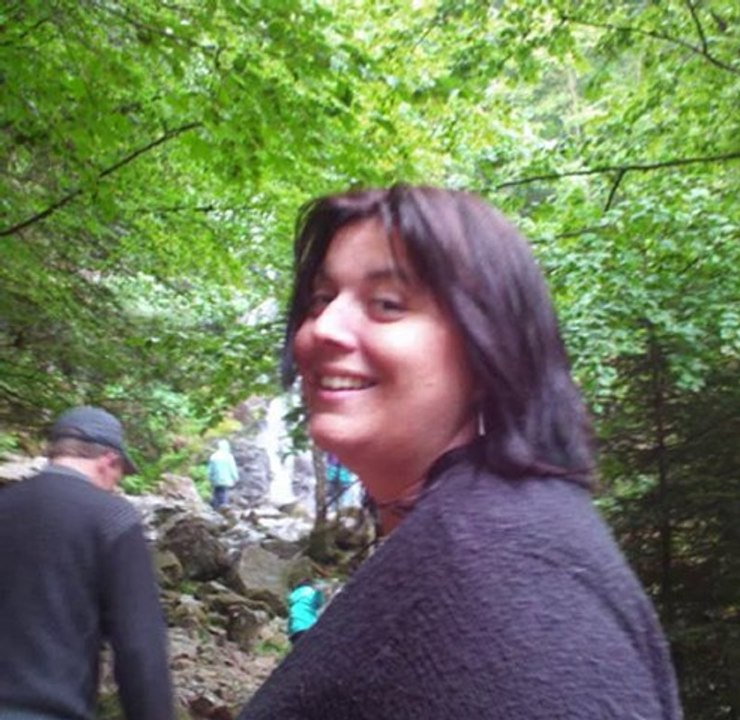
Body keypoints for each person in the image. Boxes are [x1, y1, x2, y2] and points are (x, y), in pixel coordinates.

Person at [239, 185, 682, 718]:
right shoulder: (496, 530)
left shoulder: (511, 582)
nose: (324, 328)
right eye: (321, 298)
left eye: (387, 304)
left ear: (489, 348)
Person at [0, 405, 174, 720]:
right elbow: (139, 646)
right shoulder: (111, 518)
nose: (116, 485)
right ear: (109, 460)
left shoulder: (5, 503)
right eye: (119, 474)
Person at [286, 579, 326, 644]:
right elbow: (319, 603)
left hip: (295, 631)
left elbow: (290, 616)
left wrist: (289, 632)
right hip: (309, 627)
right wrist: (319, 592)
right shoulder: (311, 593)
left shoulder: (293, 597)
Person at [208, 438, 239, 509]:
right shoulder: (228, 456)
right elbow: (232, 469)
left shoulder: (214, 456)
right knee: (223, 494)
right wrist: (235, 478)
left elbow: (210, 470)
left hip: (216, 480)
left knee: (216, 492)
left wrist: (210, 478)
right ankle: (223, 508)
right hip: (226, 479)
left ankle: (215, 508)